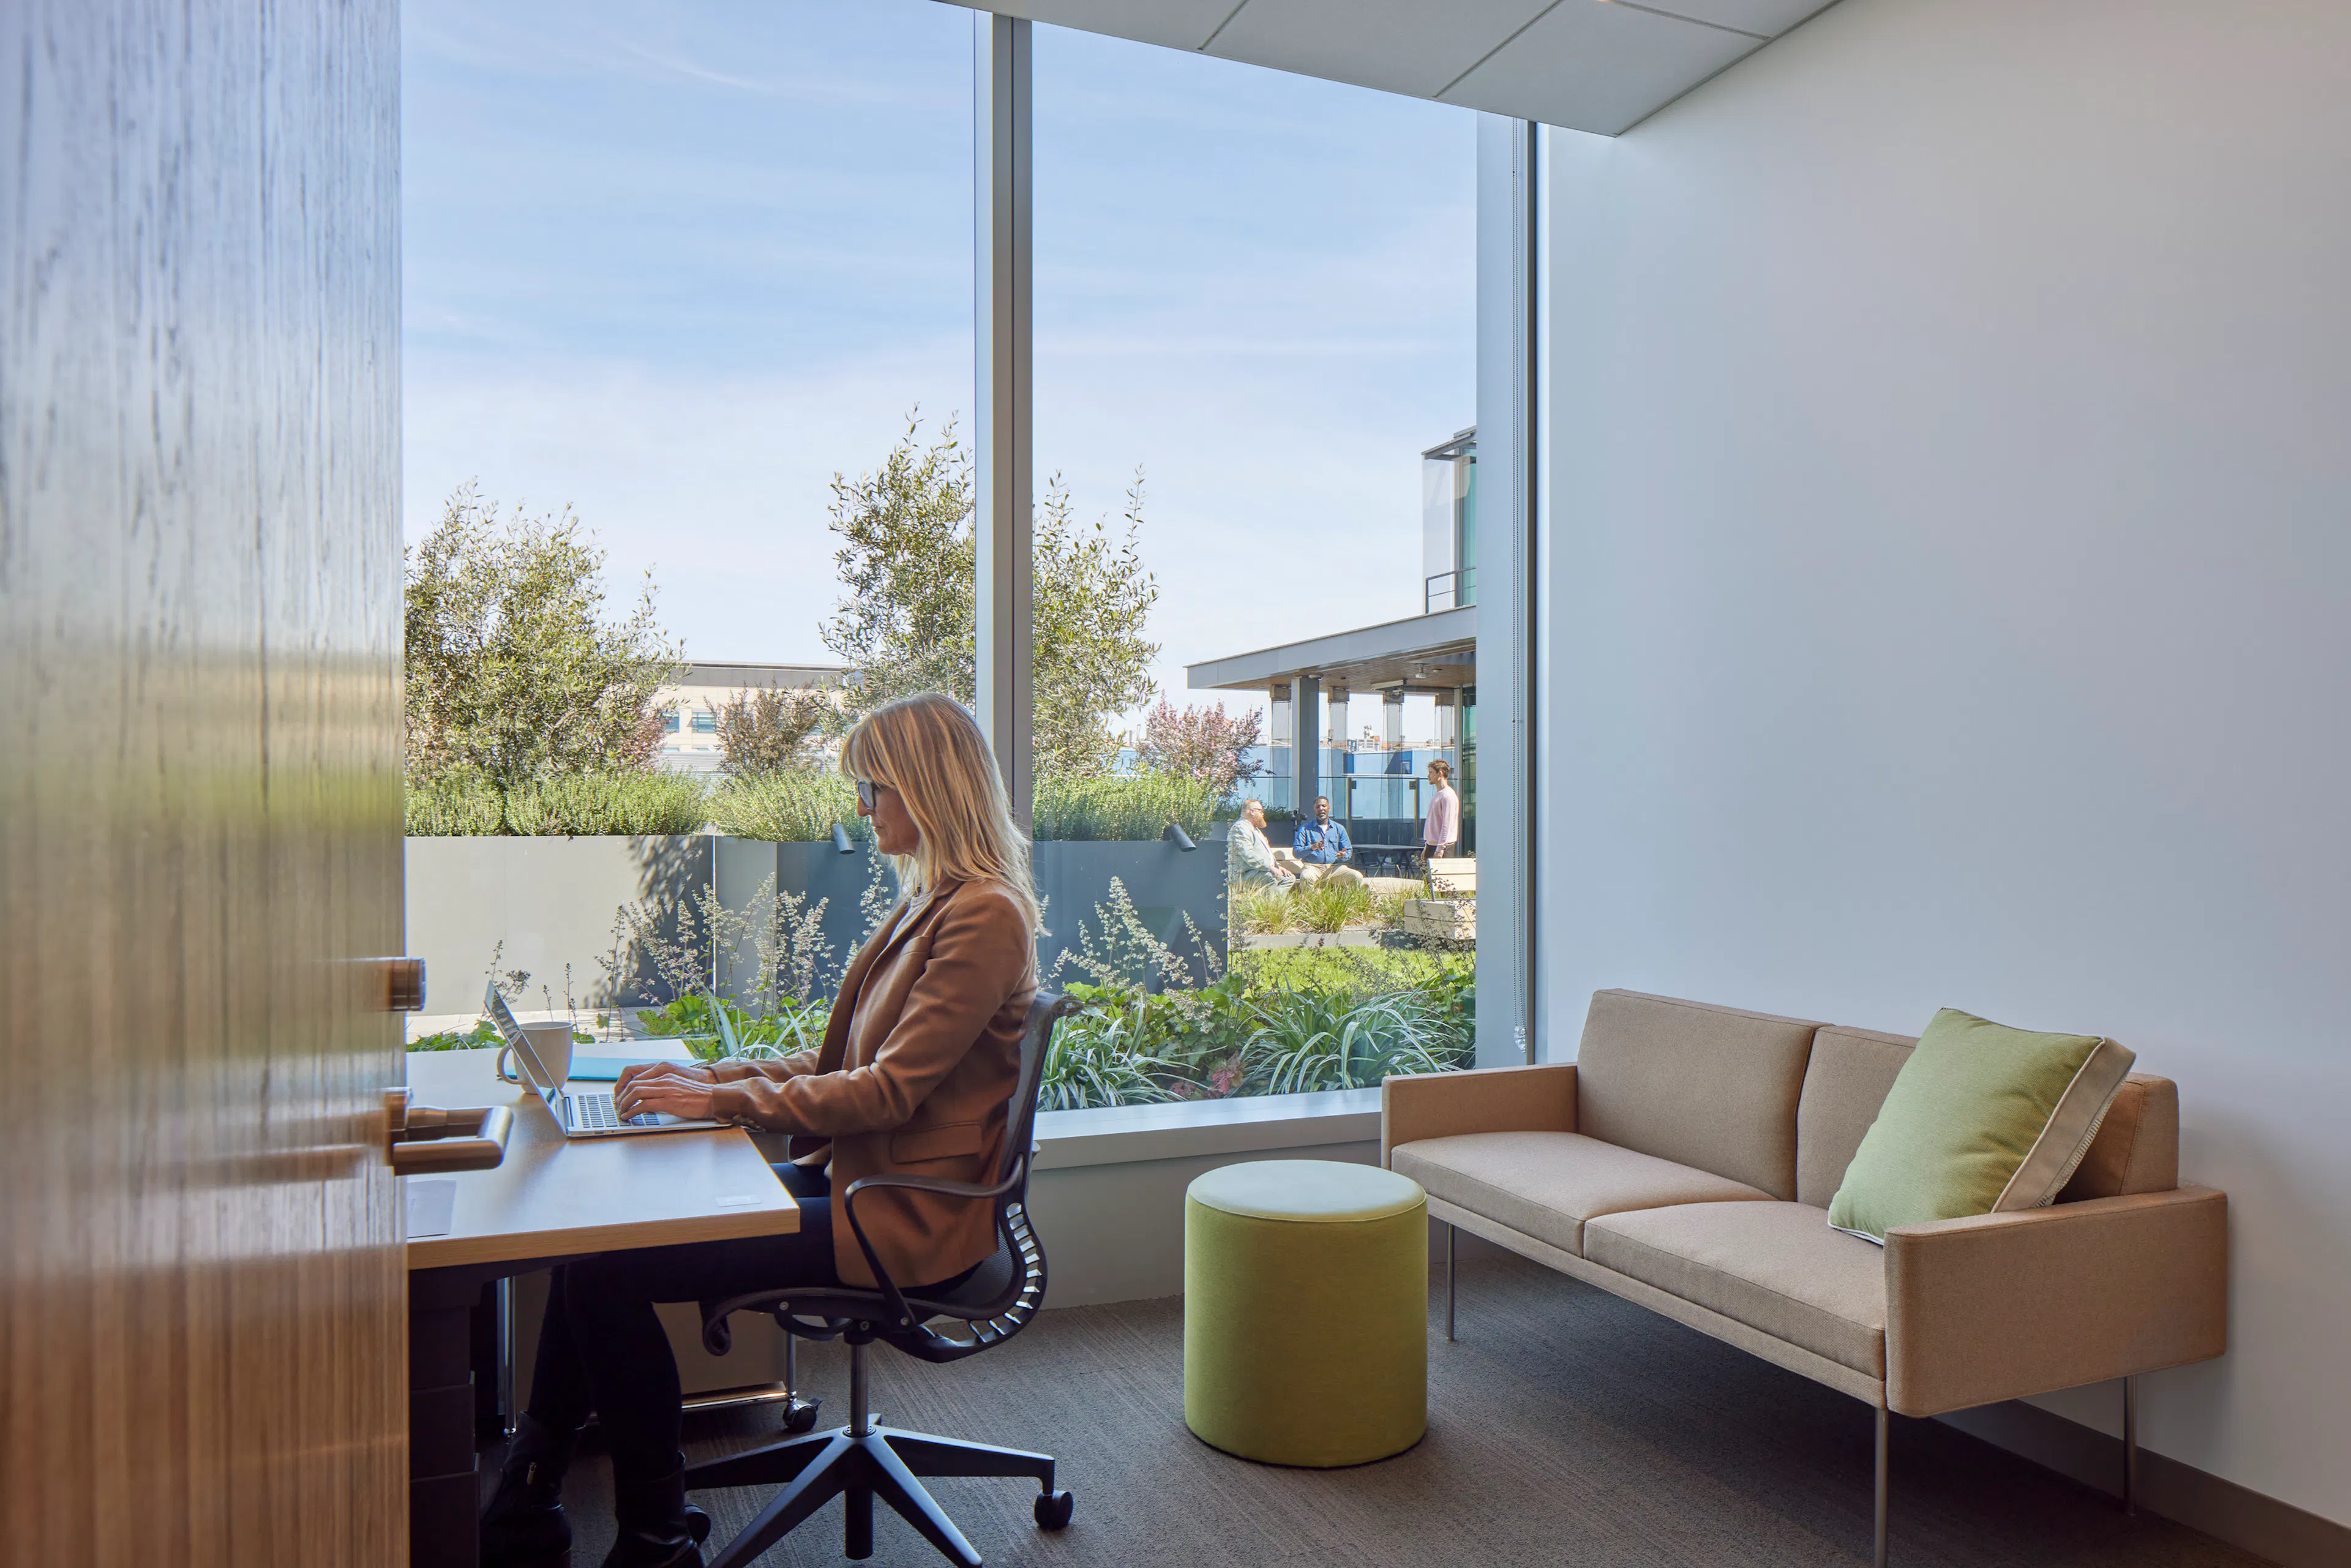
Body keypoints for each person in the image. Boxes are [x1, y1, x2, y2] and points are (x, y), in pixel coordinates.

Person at [480, 692, 1040, 1568]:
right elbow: (831, 1067)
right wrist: (707, 1079)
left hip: (907, 1218)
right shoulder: (927, 902)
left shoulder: (985, 915)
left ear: (929, 789)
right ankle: (530, 1494)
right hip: (859, 1184)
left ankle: (649, 1533)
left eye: (876, 788)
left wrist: (728, 1102)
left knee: (607, 1277)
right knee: (595, 1249)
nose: (864, 808)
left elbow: (886, 1092)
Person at [1289, 796, 1365, 888]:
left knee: (1357, 877)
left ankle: (1350, 902)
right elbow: (1296, 852)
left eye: (1324, 806)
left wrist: (1343, 855)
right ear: (1314, 809)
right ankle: (1309, 902)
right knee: (1306, 877)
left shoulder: (1339, 829)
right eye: (1318, 807)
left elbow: (1348, 850)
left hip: (1335, 868)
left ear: (1329, 808)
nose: (1321, 809)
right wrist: (1312, 847)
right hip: (1313, 867)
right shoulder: (1305, 829)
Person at [1227, 798, 1295, 888]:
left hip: (1261, 870)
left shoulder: (1255, 829)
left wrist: (1278, 867)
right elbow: (1249, 855)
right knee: (1271, 878)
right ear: (1252, 812)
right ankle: (1270, 902)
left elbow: (1266, 853)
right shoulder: (1240, 828)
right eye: (1261, 811)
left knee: (1288, 879)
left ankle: (1274, 902)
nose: (1263, 814)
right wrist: (1270, 868)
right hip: (1245, 874)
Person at [1422, 758, 1460, 872]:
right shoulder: (1438, 795)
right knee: (1429, 885)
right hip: (1432, 845)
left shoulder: (1448, 796)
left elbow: (1446, 825)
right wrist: (1427, 846)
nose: (1429, 776)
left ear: (1440, 774)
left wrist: (1440, 849)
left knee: (1442, 884)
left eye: (1431, 773)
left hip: (1442, 847)